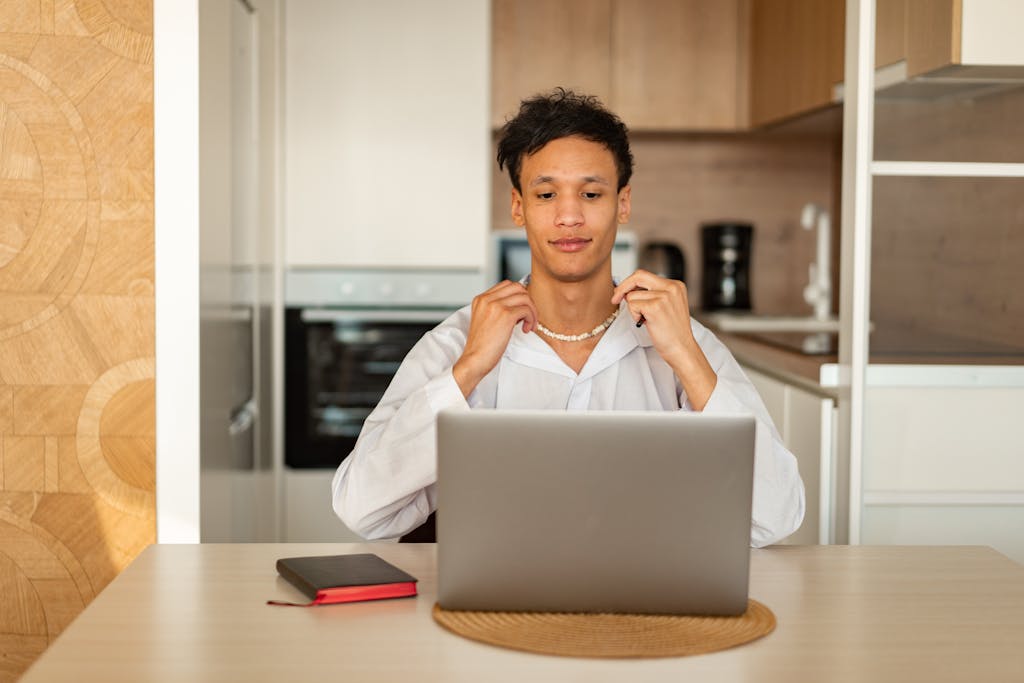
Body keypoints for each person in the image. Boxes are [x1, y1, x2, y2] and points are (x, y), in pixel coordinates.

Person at [331, 88, 805, 547]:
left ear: (623, 203)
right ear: (519, 207)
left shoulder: (681, 340)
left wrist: (687, 357)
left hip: (646, 614)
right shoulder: (459, 343)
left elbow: (775, 518)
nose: (569, 217)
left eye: (592, 194)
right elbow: (362, 510)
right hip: (497, 614)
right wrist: (469, 369)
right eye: (546, 195)